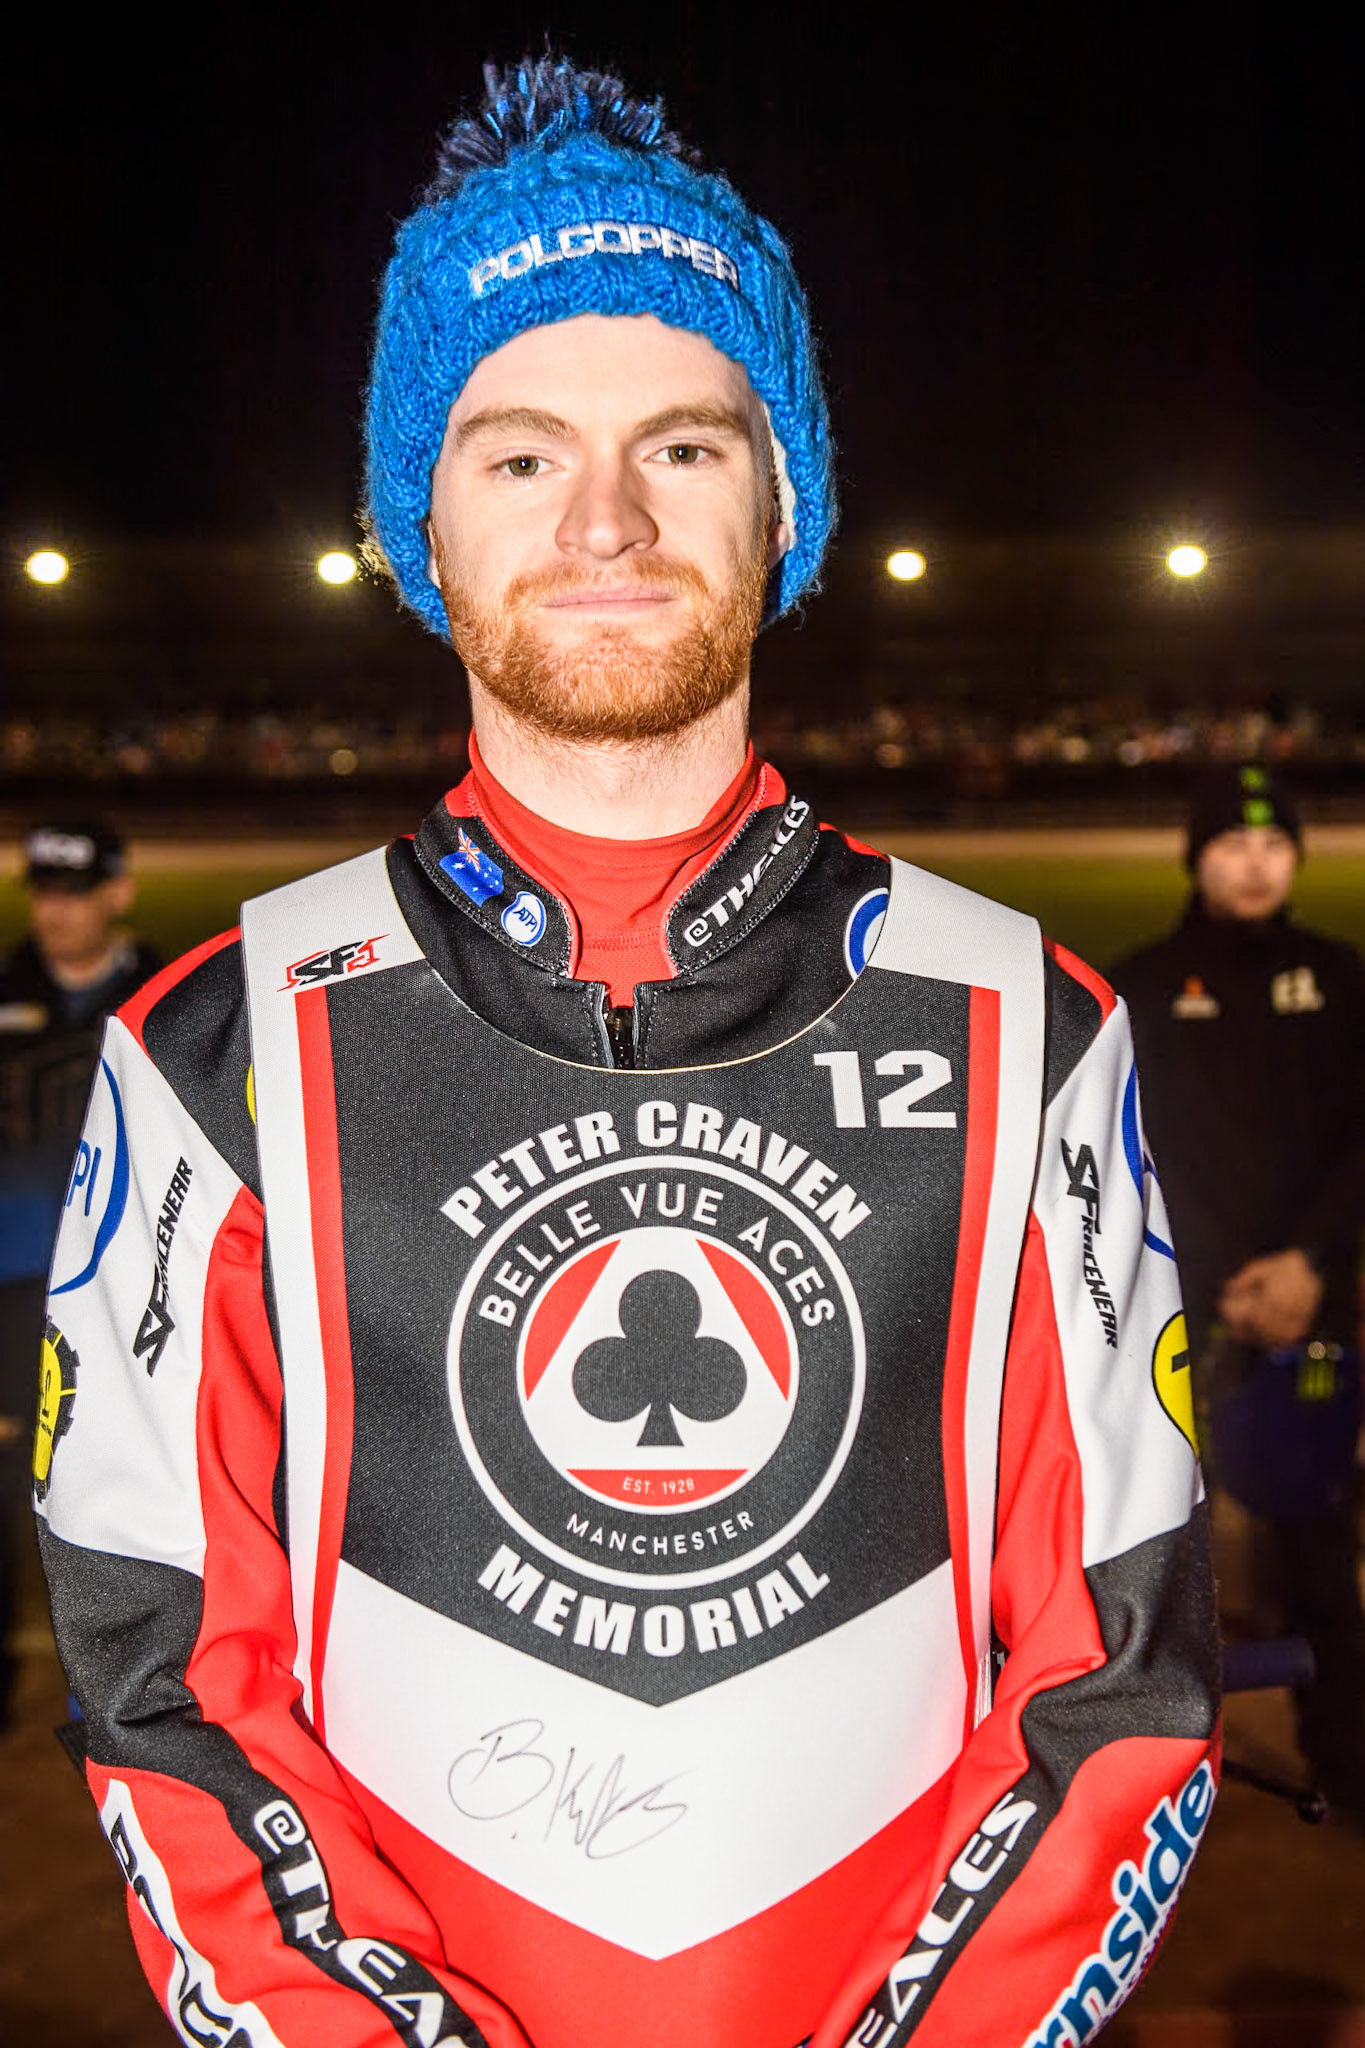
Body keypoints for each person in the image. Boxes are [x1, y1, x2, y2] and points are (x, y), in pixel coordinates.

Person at [35, 59, 1217, 2048]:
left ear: (785, 497)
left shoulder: (1033, 1027)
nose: (599, 518)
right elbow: (163, 1693)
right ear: (419, 511)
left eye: (679, 447)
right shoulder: (206, 1051)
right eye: (516, 455)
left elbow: (1120, 1697)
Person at [1111, 764, 1365, 1826]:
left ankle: (1346, 1764)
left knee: (1316, 1547)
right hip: (1172, 1312)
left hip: (1309, 1309)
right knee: (1146, 1557)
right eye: (1231, 843)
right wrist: (1216, 1281)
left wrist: (1310, 1262)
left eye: (1274, 843)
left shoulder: (1342, 977)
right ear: (1197, 857)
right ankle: (1137, 1787)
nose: (1254, 861)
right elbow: (1127, 1154)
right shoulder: (1136, 985)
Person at [1, 820, 160, 1725]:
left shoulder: (180, 993)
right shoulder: (5, 991)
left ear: (118, 891)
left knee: (117, 1474)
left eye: (74, 890)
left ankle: (111, 1682)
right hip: (15, 1284)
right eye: (42, 892)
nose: (55, 910)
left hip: (136, 1280)